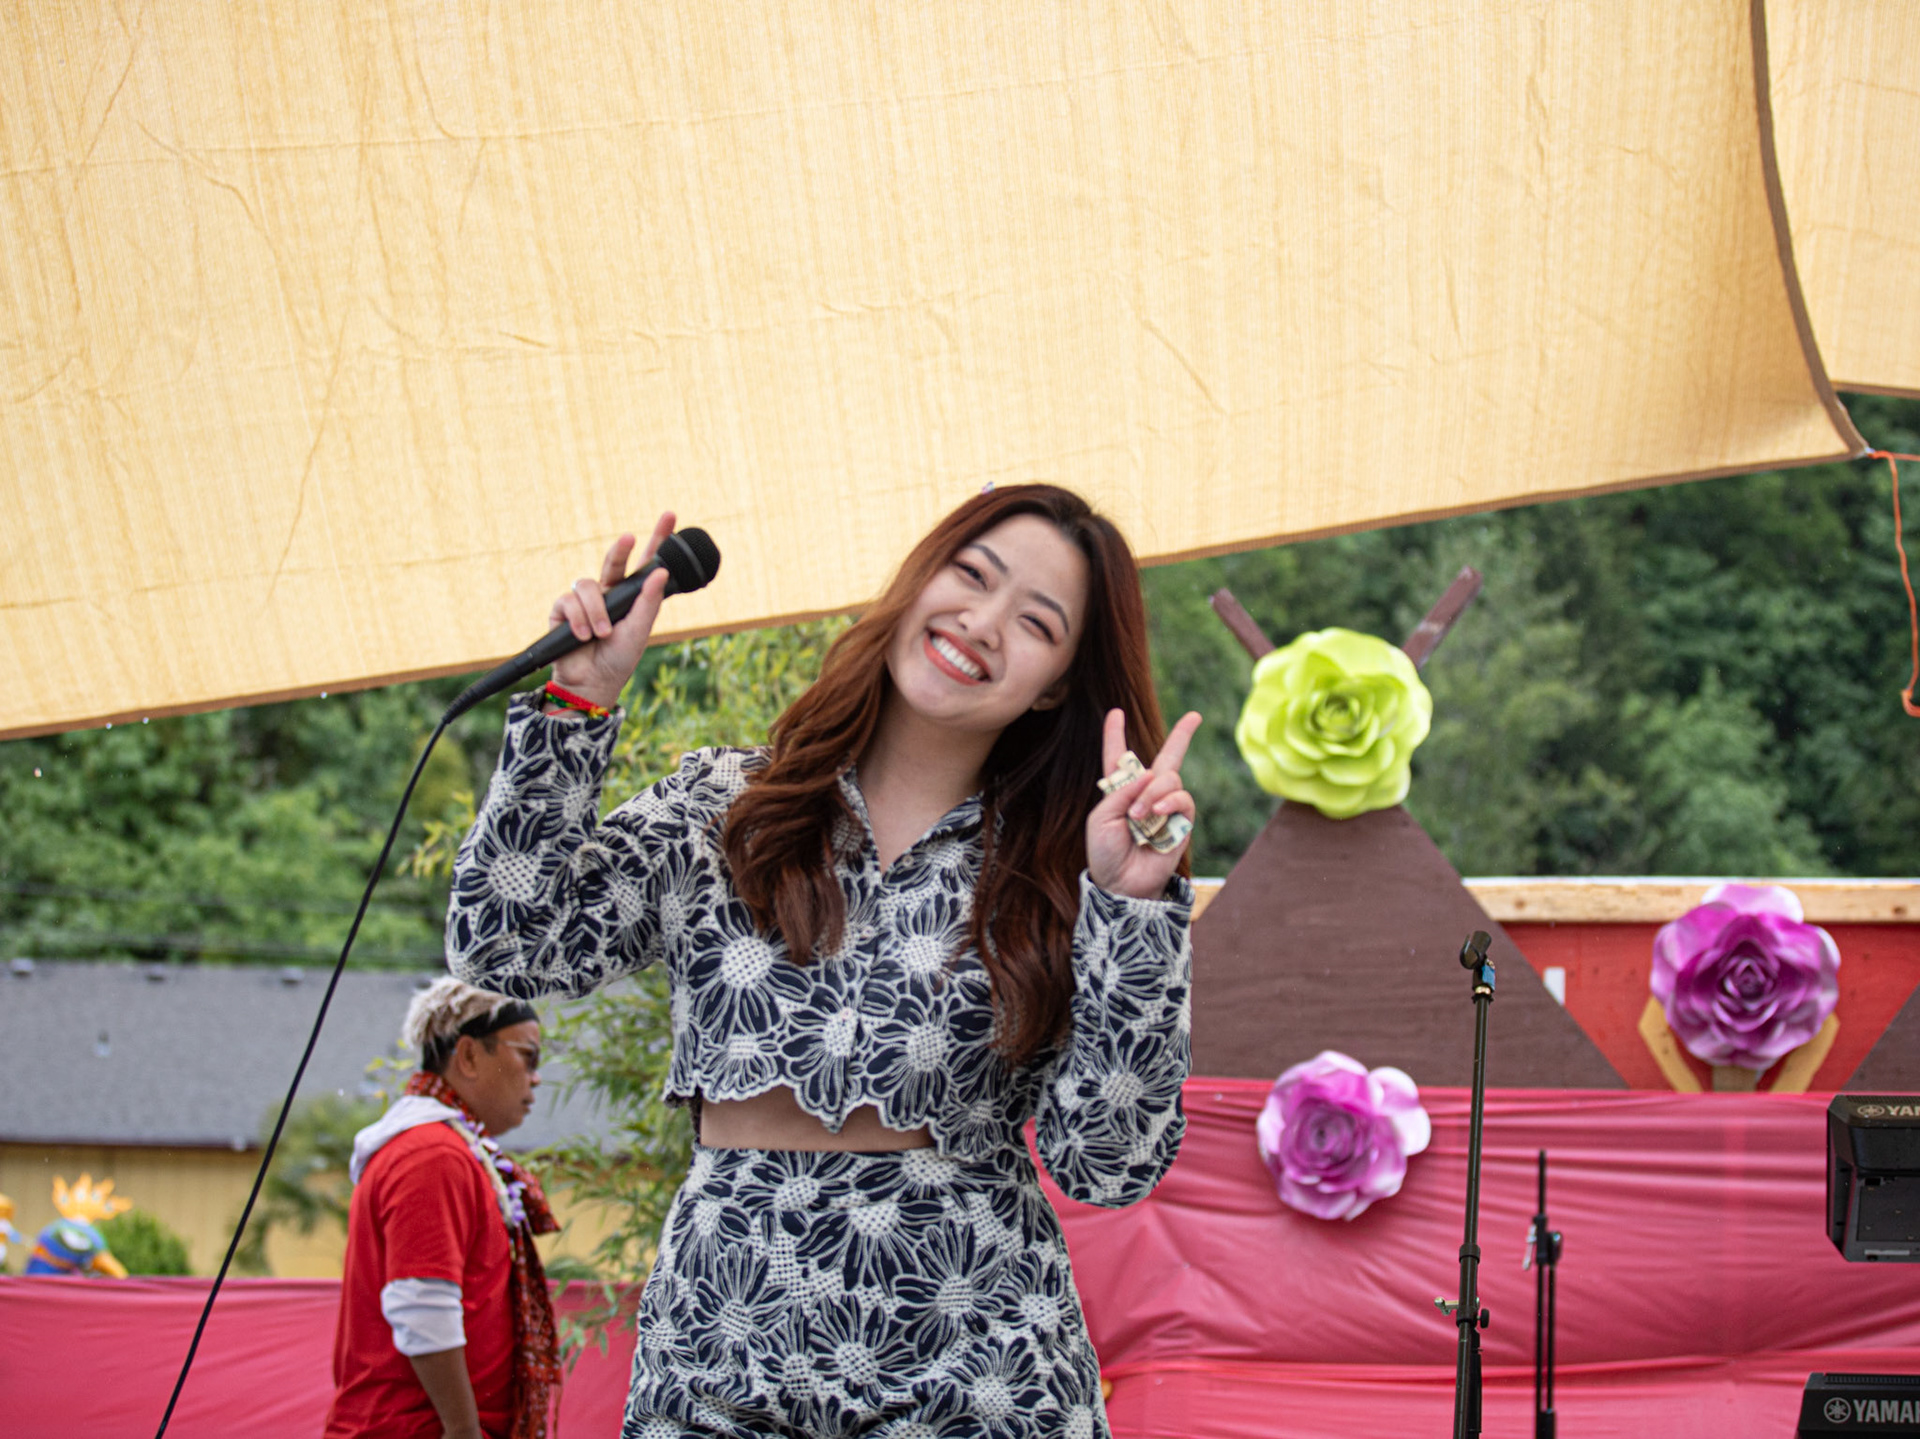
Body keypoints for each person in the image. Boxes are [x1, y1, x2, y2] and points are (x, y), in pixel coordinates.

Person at [447, 485, 1200, 1438]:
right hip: (720, 1356)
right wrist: (576, 704)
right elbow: (506, 939)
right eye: (972, 576)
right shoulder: (727, 805)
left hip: (976, 1373)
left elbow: (1111, 1163)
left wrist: (1131, 910)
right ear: (917, 581)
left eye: (1036, 623)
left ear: (1055, 684)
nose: (983, 622)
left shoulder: (1060, 868)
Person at [324, 978, 562, 1439]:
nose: (536, 1078)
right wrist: (463, 1429)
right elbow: (422, 1304)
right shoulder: (432, 1155)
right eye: (528, 1057)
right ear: (469, 1055)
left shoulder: (448, 1150)